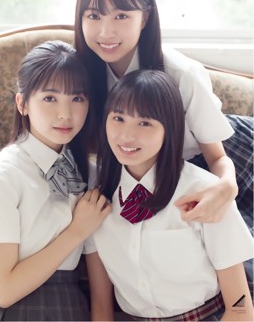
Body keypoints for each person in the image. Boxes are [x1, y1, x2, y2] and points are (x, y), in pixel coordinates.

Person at [74, 0, 253, 229]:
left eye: (121, 16)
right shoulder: (79, 75)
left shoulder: (182, 74)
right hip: (156, 168)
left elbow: (218, 157)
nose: (106, 31)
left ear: (144, 18)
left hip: (228, 155)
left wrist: (227, 187)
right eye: (94, 16)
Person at [85, 69, 253, 321]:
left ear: (170, 129)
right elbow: (101, 307)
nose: (127, 135)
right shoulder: (96, 202)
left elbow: (240, 308)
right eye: (118, 118)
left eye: (145, 123)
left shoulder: (205, 194)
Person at [0, 40, 111, 321]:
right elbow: (3, 291)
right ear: (22, 103)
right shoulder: (0, 175)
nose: (65, 113)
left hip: (61, 293)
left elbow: (99, 286)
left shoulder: (89, 174)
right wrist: (76, 232)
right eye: (50, 98)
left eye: (77, 98)